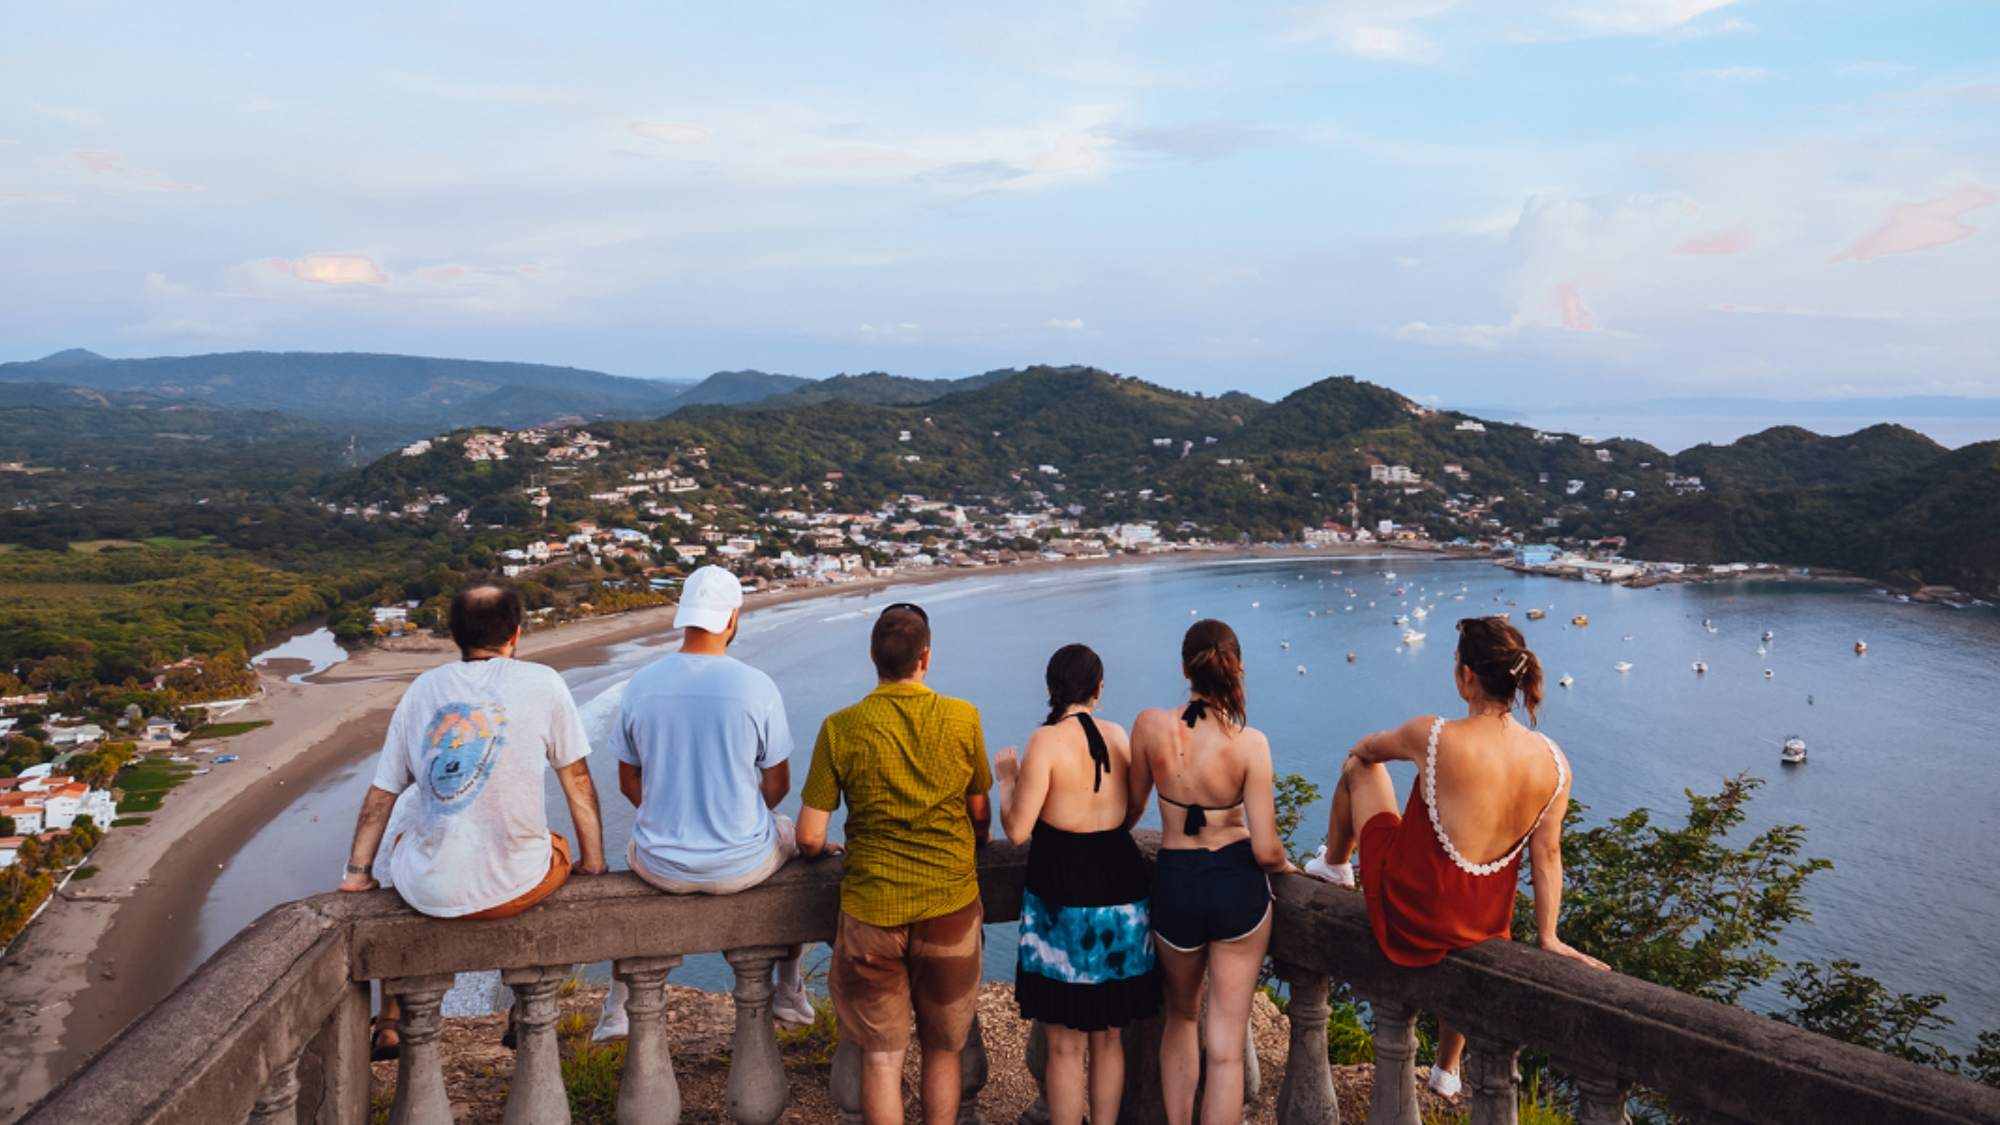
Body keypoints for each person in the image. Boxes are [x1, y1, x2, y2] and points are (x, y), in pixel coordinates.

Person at [1305, 615, 1606, 1099]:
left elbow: (1364, 750)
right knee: (1468, 880)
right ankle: (1447, 1069)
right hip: (1483, 921)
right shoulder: (1554, 763)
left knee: (1358, 769)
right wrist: (1548, 936)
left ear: (1467, 675)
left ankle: (1336, 865)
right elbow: (1547, 854)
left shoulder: (1433, 735)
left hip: (1415, 911)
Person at [337, 584, 609, 1057]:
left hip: (431, 891)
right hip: (514, 887)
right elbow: (577, 779)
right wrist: (594, 860)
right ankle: (525, 1011)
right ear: (516, 634)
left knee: (407, 836)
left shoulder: (422, 689)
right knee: (555, 847)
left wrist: (358, 874)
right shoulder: (543, 682)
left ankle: (390, 1022)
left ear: (453, 634)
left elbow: (383, 792)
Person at [591, 565, 815, 1039]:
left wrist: (672, 814)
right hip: (742, 863)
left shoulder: (640, 684)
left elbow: (629, 782)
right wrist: (736, 813)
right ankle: (789, 990)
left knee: (628, 849)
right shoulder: (757, 686)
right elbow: (778, 784)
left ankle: (617, 1005)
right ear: (732, 617)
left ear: (684, 616)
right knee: (791, 831)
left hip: (660, 863)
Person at [795, 603, 993, 1125]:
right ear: (926, 657)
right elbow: (979, 811)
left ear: (872, 658)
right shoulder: (962, 717)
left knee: (882, 1057)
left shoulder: (840, 727)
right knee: (944, 1048)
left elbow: (810, 836)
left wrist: (824, 850)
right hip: (949, 904)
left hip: (872, 910)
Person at [1128, 619, 1296, 1125]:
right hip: (1236, 890)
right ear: (1237, 668)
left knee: (1180, 1018)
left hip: (1176, 883)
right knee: (1224, 1045)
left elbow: (1131, 811)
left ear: (1185, 668)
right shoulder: (1251, 744)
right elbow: (1266, 850)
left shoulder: (1150, 726)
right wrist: (1291, 867)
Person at [994, 644, 1161, 1125]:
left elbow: (1019, 830)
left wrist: (1007, 779)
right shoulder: (1118, 735)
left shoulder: (1044, 741)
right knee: (1109, 1034)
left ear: (1050, 689)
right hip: (1121, 884)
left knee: (1066, 1042)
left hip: (1061, 890)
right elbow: (1134, 810)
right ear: (1099, 690)